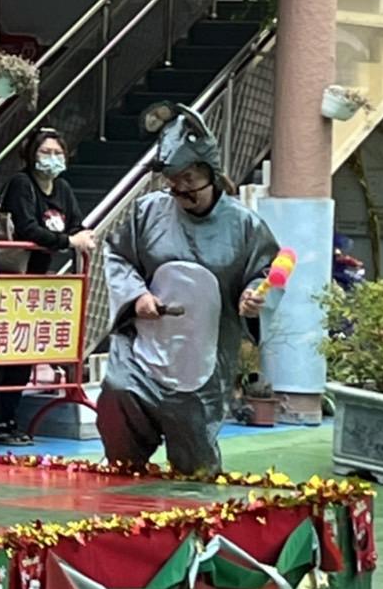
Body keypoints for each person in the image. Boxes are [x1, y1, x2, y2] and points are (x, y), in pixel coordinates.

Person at [96, 104, 279, 474]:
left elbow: (265, 273)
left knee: (194, 456)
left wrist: (255, 297)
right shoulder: (148, 211)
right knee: (118, 391)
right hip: (145, 341)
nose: (180, 189)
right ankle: (123, 470)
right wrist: (137, 295)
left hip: (203, 349)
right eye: (173, 181)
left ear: (211, 175)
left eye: (189, 180)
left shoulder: (245, 225)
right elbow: (118, 255)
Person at [0, 128, 97, 444]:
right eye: (45, 152)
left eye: (58, 153)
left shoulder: (62, 188)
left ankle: (9, 419)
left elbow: (76, 224)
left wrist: (81, 236)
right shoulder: (21, 184)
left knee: (25, 353)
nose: (52, 159)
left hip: (38, 283)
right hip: (11, 282)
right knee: (6, 353)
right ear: (31, 154)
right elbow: (28, 228)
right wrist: (68, 242)